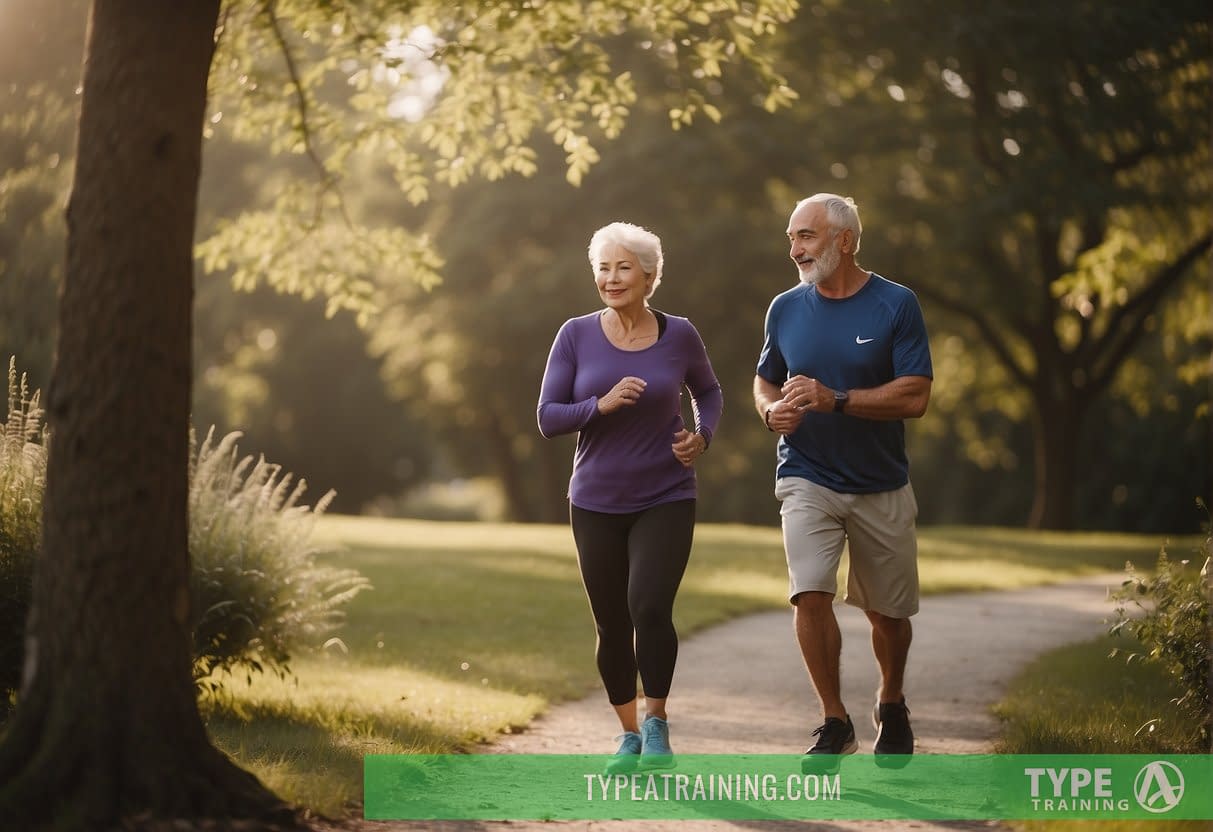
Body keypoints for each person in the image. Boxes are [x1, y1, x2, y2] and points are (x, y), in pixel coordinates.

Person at [752, 194, 932, 771]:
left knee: (889, 615)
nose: (795, 249)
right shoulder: (784, 308)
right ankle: (834, 719)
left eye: (806, 236)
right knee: (809, 590)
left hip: (880, 481)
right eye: (792, 238)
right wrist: (770, 411)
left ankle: (892, 700)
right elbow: (765, 380)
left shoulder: (896, 304)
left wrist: (838, 401)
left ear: (845, 241)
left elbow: (916, 395)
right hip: (807, 473)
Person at [537, 221, 723, 772]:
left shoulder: (680, 334)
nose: (611, 278)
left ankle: (657, 721)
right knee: (611, 621)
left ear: (649, 276)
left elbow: (708, 391)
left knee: (648, 606)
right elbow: (547, 418)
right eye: (602, 268)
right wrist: (601, 404)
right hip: (594, 500)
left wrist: (702, 434)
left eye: (623, 268)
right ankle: (627, 733)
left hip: (666, 493)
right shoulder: (574, 334)